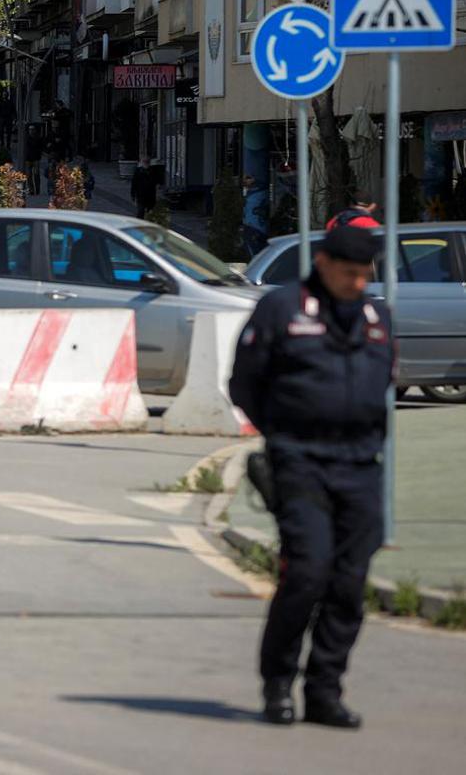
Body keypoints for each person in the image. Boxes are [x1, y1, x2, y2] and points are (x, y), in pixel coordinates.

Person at [228, 224, 394, 731]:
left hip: (361, 466)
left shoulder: (376, 317)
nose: (358, 283)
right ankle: (278, 684)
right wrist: (282, 434)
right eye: (350, 273)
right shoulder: (283, 308)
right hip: (300, 461)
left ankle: (325, 690)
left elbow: (385, 377)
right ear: (323, 265)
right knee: (306, 574)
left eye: (365, 274)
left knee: (348, 584)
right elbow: (244, 382)